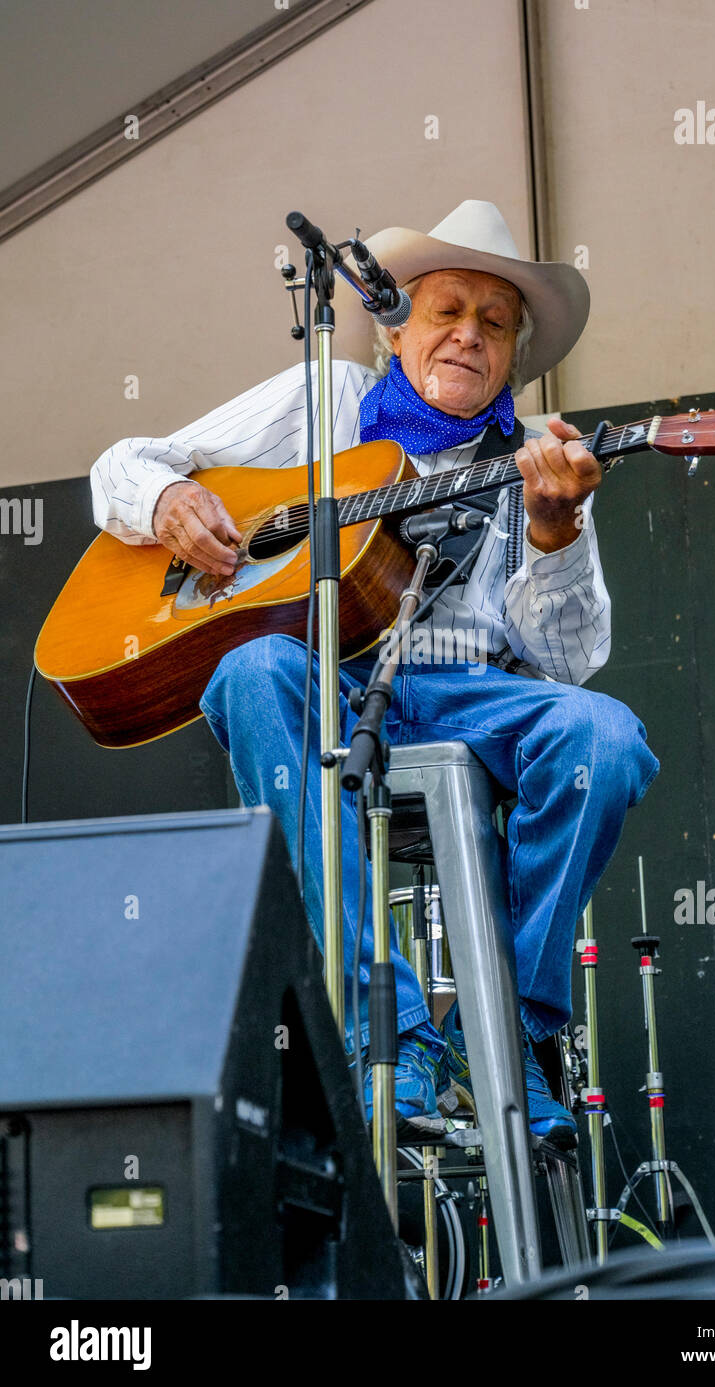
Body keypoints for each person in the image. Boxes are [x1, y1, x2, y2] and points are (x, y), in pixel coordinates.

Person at [91, 199, 660, 1144]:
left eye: (495, 322)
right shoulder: (327, 399)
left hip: (472, 697)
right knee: (249, 670)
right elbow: (126, 461)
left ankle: (506, 1038)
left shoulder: (541, 466)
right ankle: (378, 1030)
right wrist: (170, 501)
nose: (468, 336)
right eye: (447, 310)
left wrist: (555, 536)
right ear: (398, 327)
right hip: (334, 687)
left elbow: (566, 666)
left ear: (515, 356)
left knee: (604, 738)